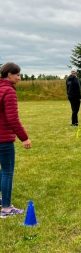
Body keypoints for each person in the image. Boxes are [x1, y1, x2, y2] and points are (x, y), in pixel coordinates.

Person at [0, 62, 31, 217]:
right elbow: (12, 118)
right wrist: (24, 138)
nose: (19, 78)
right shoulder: (9, 91)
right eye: (17, 74)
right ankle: (6, 208)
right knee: (7, 172)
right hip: (3, 139)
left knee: (2, 170)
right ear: (9, 74)